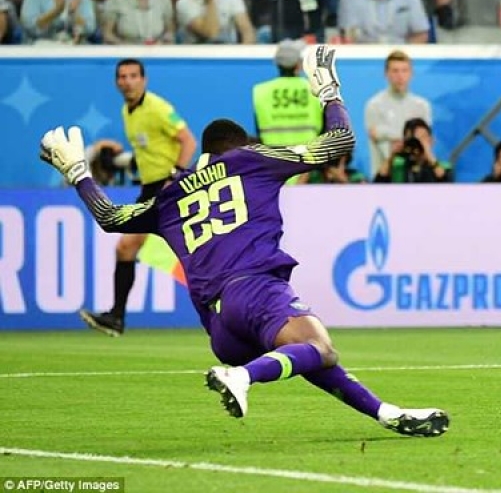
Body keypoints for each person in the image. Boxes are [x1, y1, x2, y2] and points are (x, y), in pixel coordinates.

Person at [40, 45, 450, 436]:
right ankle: (240, 377)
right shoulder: (251, 161)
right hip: (254, 290)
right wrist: (328, 92)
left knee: (306, 356)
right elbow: (340, 142)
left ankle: (386, 413)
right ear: (240, 147)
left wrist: (79, 173)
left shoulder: (170, 196)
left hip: (220, 329)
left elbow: (110, 217)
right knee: (320, 348)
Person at [79, 59, 197, 336]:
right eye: (122, 77)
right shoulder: (127, 111)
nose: (127, 81)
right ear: (116, 82)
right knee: (128, 248)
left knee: (185, 251)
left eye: (133, 76)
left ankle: (117, 316)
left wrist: (174, 176)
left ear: (143, 80)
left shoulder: (158, 108)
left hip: (168, 188)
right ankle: (116, 317)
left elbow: (188, 141)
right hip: (149, 189)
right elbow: (150, 151)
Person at [252, 39, 324, 184]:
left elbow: (259, 134)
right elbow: (325, 136)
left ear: (277, 64)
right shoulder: (316, 90)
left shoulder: (261, 92)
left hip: (274, 170)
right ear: (299, 65)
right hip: (309, 171)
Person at [363, 49, 433, 176]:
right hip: (384, 176)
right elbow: (376, 137)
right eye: (395, 71)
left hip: (416, 177)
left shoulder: (422, 106)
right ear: (386, 74)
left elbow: (424, 142)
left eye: (404, 71)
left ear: (411, 74)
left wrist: (386, 133)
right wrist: (410, 138)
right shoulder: (374, 105)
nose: (400, 76)